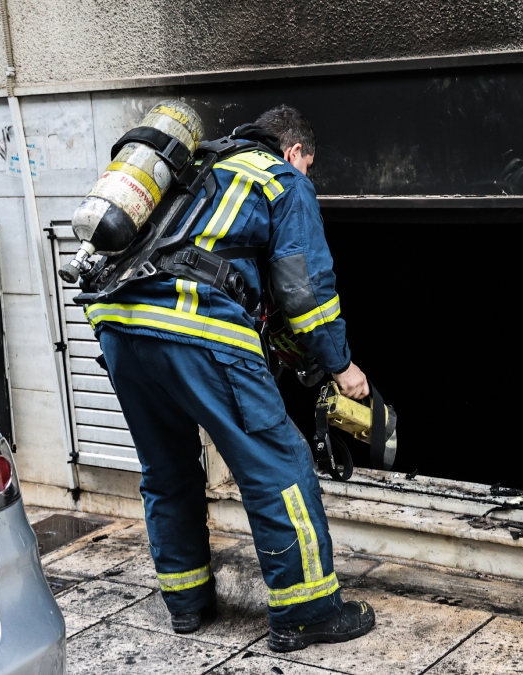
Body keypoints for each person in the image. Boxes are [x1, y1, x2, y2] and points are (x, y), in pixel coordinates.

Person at [86, 105, 376, 652]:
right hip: (195, 327)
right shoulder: (282, 179)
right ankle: (307, 612)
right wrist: (342, 366)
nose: (305, 176)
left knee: (167, 471)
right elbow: (304, 292)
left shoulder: (193, 169)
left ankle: (187, 605)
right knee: (280, 466)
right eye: (307, 166)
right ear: (295, 153)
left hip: (118, 326)